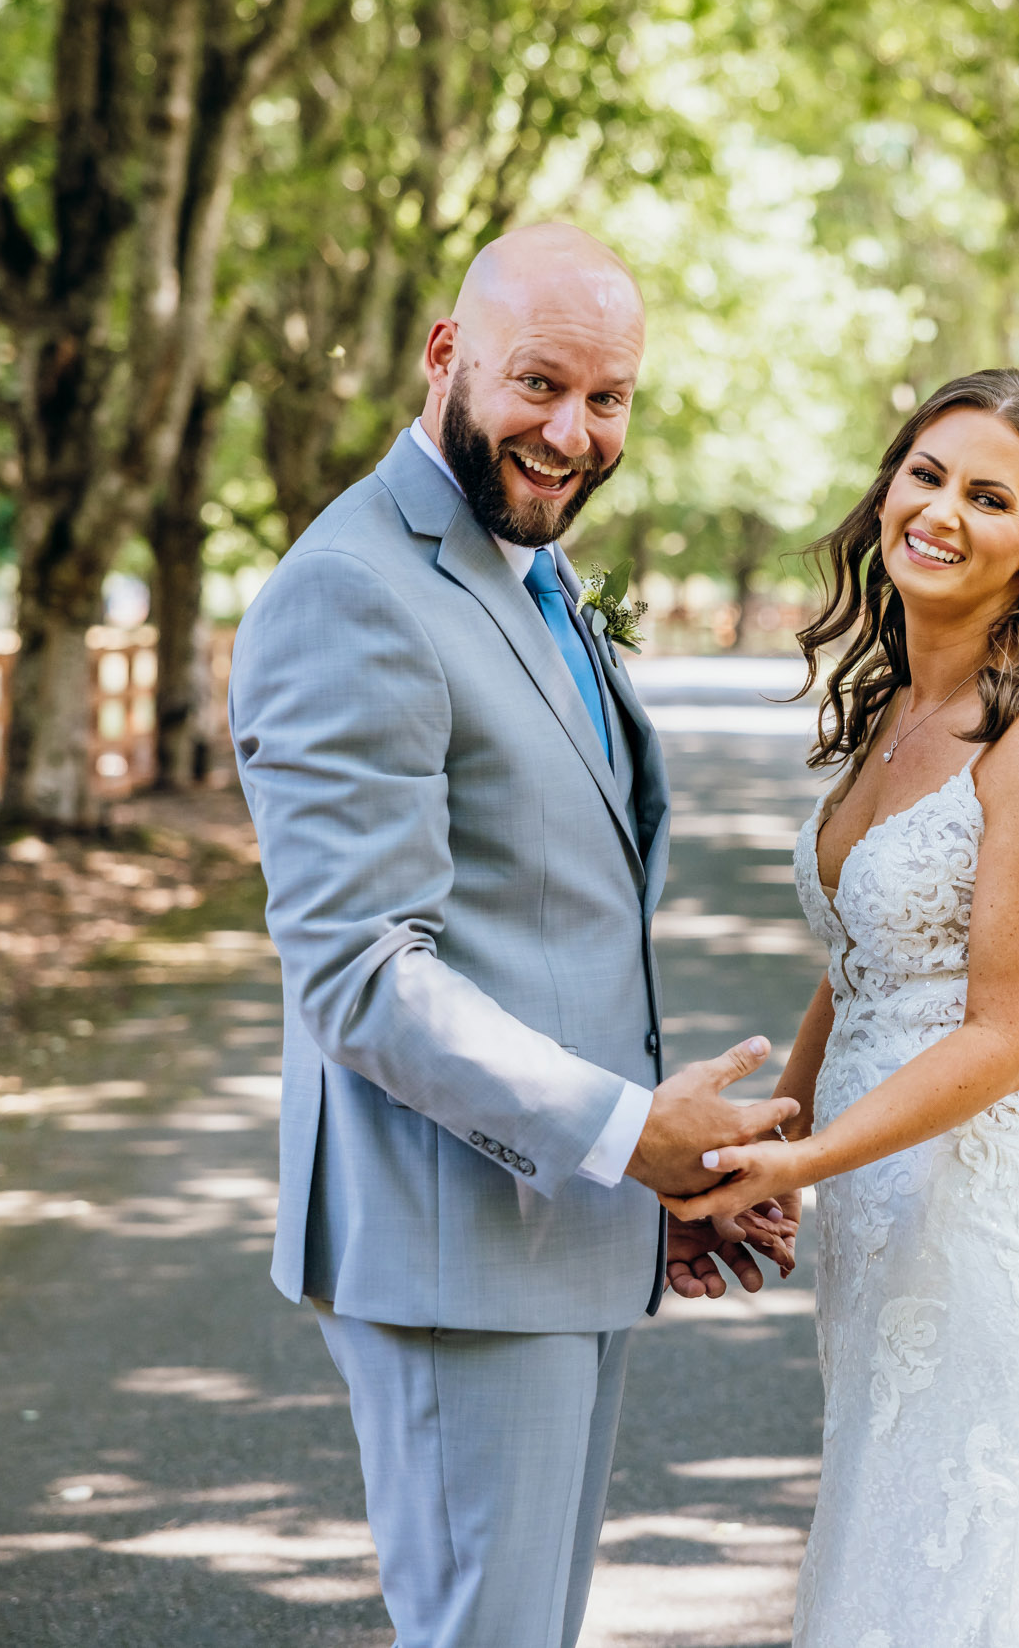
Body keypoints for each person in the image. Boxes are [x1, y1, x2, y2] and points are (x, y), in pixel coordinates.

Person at [228, 223, 799, 1648]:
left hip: (560, 1230)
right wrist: (623, 1131)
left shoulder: (526, 569)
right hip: (452, 1242)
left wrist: (643, 1175)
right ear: (445, 354)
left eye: (608, 399)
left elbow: (549, 911)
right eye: (539, 383)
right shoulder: (353, 587)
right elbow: (361, 972)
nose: (572, 431)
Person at [662, 368, 1019, 1645]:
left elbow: (1009, 1032)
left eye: (990, 496)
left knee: (970, 1575)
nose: (940, 510)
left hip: (986, 1215)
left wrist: (810, 1152)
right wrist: (777, 1132)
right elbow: (858, 961)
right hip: (879, 1215)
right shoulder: (892, 712)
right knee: (888, 1555)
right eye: (925, 474)